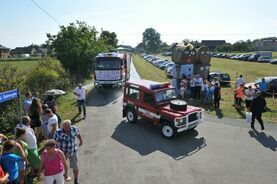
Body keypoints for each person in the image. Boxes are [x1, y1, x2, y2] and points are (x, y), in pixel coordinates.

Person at [54, 120, 83, 184]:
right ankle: (59, 179)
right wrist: (59, 153)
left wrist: (81, 140)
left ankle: (76, 180)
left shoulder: (74, 128)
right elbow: (55, 143)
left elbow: (77, 133)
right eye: (65, 127)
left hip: (73, 151)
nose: (66, 129)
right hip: (62, 152)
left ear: (70, 125)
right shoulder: (58, 132)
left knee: (75, 166)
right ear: (62, 126)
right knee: (59, 166)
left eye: (68, 127)